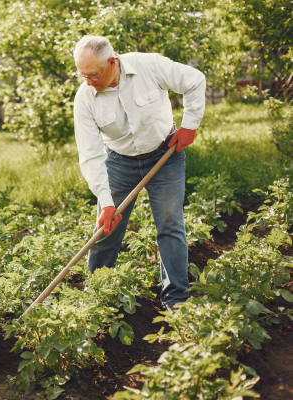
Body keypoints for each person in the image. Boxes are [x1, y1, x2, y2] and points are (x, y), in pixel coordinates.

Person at [72, 35, 206, 313]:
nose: (88, 82)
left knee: (170, 225)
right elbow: (91, 154)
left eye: (93, 75)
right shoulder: (85, 98)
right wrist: (106, 201)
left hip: (164, 154)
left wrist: (190, 125)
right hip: (118, 163)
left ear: (112, 62)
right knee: (106, 229)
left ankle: (176, 299)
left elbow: (195, 80)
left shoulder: (149, 66)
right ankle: (96, 296)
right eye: (82, 75)